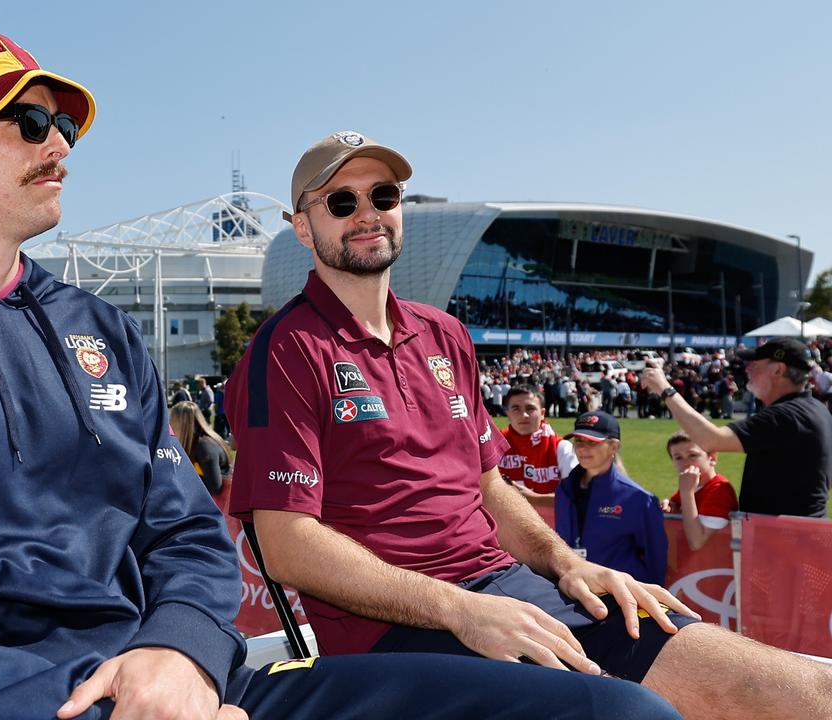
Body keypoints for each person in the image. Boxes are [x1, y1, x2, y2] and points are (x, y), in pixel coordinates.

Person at [0, 27, 682, 720]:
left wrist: (178, 652)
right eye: (30, 123)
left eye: (65, 123)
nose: (61, 145)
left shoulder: (99, 327)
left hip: (197, 682)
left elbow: (188, 529)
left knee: (620, 716)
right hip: (28, 703)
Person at [227, 130, 832, 718]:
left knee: (793, 687)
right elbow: (287, 545)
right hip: (397, 635)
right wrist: (458, 609)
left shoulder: (445, 334)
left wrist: (567, 564)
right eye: (342, 201)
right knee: (632, 713)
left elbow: (489, 487)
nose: (368, 213)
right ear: (303, 226)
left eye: (383, 196)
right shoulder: (284, 350)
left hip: (510, 590)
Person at [642, 337, 831, 518]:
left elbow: (710, 440)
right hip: (797, 536)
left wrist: (664, 389)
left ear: (778, 371)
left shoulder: (789, 415)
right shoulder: (815, 410)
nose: (748, 369)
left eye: (755, 364)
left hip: (784, 541)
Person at [554, 412, 667, 584]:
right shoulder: (564, 489)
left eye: (592, 442)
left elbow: (655, 560)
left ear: (613, 447)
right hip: (572, 590)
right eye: (579, 441)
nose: (583, 448)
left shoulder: (639, 499)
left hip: (617, 598)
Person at [498, 385, 577, 506]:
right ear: (508, 414)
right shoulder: (494, 444)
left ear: (543, 413)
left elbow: (577, 499)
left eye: (530, 408)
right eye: (516, 409)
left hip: (549, 524)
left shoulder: (562, 448)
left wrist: (532, 498)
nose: (524, 414)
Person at [663, 432, 739, 550]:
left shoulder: (720, 490)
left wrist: (686, 493)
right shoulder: (694, 485)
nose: (685, 463)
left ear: (712, 458)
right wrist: (670, 504)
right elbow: (676, 504)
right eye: (678, 457)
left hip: (714, 565)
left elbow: (697, 542)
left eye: (692, 455)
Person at [171, 400, 231, 496]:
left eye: (172, 421)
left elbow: (214, 487)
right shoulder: (195, 443)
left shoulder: (205, 446)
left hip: (218, 506)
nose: (170, 425)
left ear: (182, 423)